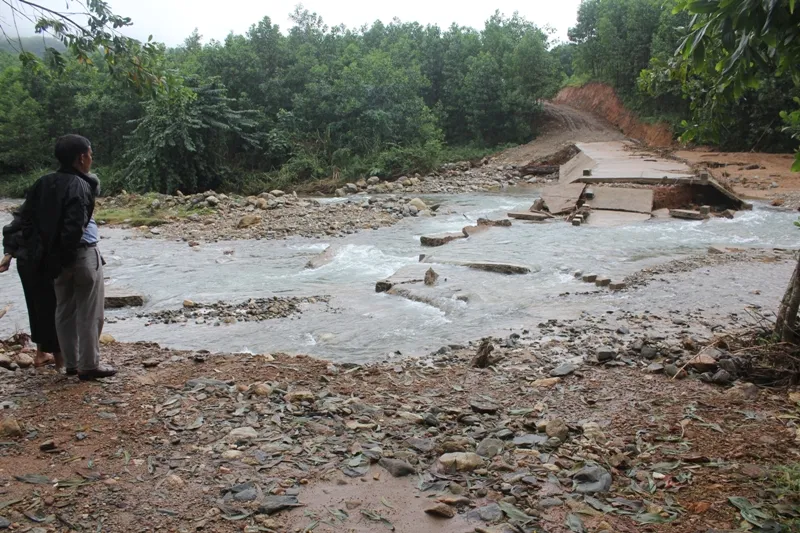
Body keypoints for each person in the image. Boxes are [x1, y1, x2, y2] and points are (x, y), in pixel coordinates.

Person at [6, 135, 116, 380]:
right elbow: (74, 228)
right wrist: (65, 254)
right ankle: (89, 366)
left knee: (64, 311)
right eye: (90, 154)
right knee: (89, 312)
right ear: (81, 158)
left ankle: (71, 364)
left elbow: (26, 220)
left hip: (52, 259)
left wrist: (47, 257)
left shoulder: (42, 183)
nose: (91, 159)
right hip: (81, 255)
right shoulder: (81, 186)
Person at [1, 210, 63, 369]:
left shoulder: (34, 196)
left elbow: (12, 227)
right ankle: (60, 359)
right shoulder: (55, 193)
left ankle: (42, 354)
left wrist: (8, 253)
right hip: (42, 259)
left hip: (27, 259)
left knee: (37, 307)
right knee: (52, 307)